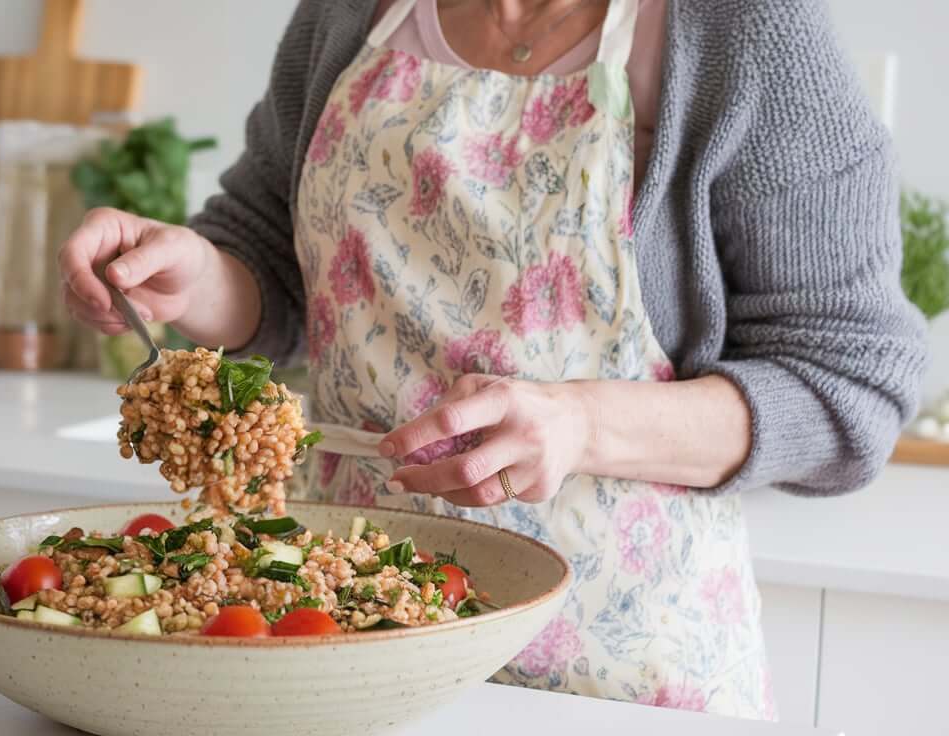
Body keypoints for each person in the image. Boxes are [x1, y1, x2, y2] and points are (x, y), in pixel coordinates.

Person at [60, 0, 927, 718]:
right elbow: (271, 266)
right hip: (341, 641)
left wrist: (581, 424)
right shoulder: (348, 13)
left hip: (616, 673)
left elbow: (853, 384)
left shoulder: (749, 32)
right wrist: (194, 278)